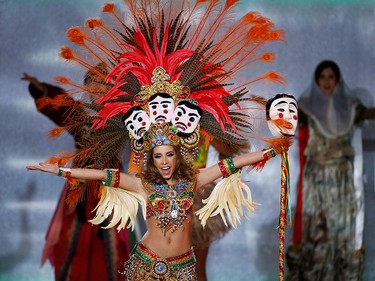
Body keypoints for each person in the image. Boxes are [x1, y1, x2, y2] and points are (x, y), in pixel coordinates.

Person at [22, 73, 132, 281]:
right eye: (94, 84)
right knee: (72, 235)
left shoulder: (120, 114)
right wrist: (40, 88)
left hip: (111, 182)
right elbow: (58, 105)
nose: (98, 89)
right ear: (87, 87)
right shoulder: (79, 113)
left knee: (114, 239)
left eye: (103, 84)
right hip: (80, 182)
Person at [286, 60, 375, 281]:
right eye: (323, 77)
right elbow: (286, 116)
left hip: (341, 177)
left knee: (340, 227)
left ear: (337, 80)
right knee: (317, 228)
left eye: (331, 77)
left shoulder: (349, 107)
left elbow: (369, 114)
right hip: (316, 177)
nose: (327, 81)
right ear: (317, 81)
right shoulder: (306, 106)